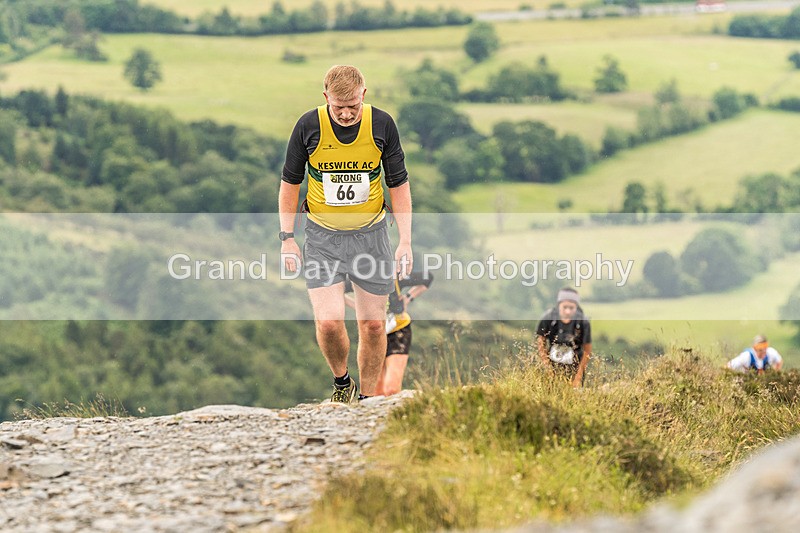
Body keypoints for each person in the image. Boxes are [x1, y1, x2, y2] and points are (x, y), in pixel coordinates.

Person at [279, 65, 413, 404]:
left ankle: (367, 398)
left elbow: (398, 185)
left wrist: (406, 242)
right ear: (326, 98)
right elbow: (289, 185)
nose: (346, 113)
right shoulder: (308, 126)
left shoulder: (382, 124)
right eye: (339, 106)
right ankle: (342, 383)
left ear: (363, 95)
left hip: (372, 237)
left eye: (352, 105)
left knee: (372, 326)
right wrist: (287, 238)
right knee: (328, 322)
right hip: (323, 238)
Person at [344, 272, 433, 396]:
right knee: (376, 391)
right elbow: (334, 290)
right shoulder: (358, 278)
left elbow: (428, 277)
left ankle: (397, 412)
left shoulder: (394, 276)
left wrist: (407, 298)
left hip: (398, 331)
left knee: (391, 389)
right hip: (373, 334)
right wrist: (357, 306)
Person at [536, 288, 592, 388]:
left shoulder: (583, 322)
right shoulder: (548, 318)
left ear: (576, 306)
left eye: (571, 308)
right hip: (552, 363)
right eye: (564, 307)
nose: (567, 311)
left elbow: (587, 350)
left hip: (575, 364)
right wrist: (547, 367)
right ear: (559, 305)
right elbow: (541, 342)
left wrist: (578, 376)